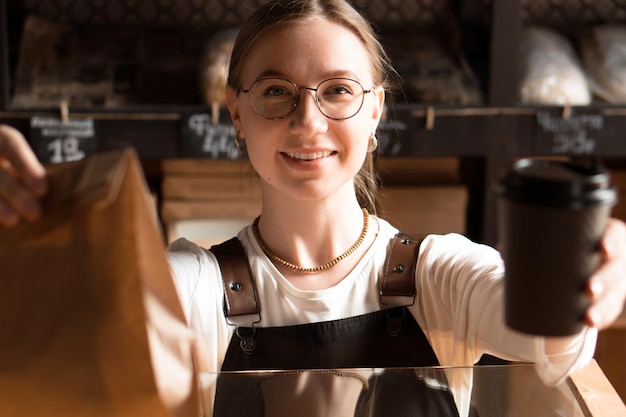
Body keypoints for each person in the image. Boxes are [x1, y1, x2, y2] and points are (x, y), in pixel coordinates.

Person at [1, 0, 626, 415]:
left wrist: (585, 275)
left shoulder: (442, 274)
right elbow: (75, 326)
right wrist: (29, 238)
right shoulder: (194, 286)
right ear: (235, 115)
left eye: (338, 91)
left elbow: (551, 343)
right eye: (276, 91)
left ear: (375, 111)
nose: (308, 120)